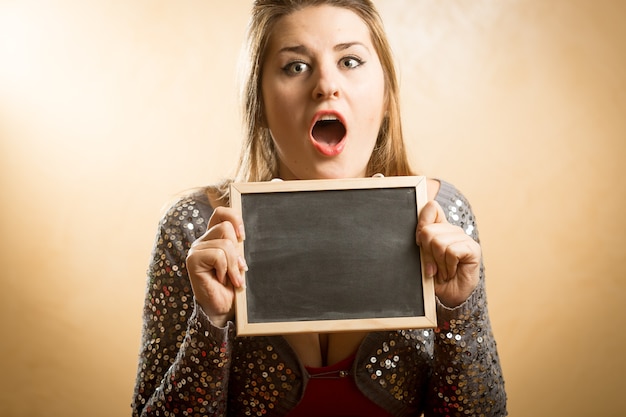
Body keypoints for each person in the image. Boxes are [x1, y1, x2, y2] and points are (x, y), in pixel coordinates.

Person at [131, 0, 507, 416]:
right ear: (260, 104)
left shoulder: (443, 214)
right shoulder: (196, 230)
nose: (326, 85)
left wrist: (459, 311)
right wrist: (211, 322)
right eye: (295, 66)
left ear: (385, 96)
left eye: (350, 60)